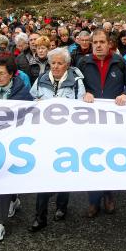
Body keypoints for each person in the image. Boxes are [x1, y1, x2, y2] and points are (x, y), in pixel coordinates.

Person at [78, 29, 126, 217]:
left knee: (110, 157)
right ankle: (93, 200)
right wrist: (84, 93)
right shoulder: (83, 62)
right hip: (90, 120)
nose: (98, 45)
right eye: (95, 42)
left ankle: (109, 195)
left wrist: (125, 95)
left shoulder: (119, 62)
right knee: (92, 158)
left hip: (113, 120)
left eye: (101, 42)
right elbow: (75, 86)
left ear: (109, 43)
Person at [28, 48, 86, 232]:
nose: (56, 66)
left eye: (60, 63)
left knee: (62, 172)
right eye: (53, 63)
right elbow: (33, 101)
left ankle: (61, 206)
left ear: (67, 65)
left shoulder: (76, 83)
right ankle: (40, 216)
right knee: (43, 175)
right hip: (45, 136)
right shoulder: (41, 79)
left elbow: (81, 107)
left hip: (66, 136)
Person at [0, 56, 32, 241]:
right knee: (4, 176)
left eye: (2, 73)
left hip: (14, 142)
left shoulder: (22, 92)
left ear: (11, 74)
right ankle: (13, 199)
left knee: (3, 178)